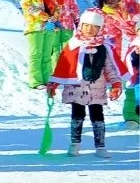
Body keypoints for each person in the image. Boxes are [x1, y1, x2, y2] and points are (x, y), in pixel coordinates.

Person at [47, 10, 122, 158]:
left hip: (97, 88)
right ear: (81, 25)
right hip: (76, 87)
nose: (89, 29)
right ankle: (75, 143)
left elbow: (109, 68)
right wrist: (54, 83)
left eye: (94, 26)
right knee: (77, 115)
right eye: (86, 25)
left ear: (100, 28)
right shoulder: (74, 44)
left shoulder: (103, 47)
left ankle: (100, 146)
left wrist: (116, 83)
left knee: (97, 116)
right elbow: (63, 65)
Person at [92, 0, 140, 129]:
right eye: (108, 0)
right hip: (135, 45)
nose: (113, 1)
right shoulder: (108, 14)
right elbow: (112, 37)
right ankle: (132, 116)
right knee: (132, 77)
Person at [18, 0, 56, 88]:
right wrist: (46, 17)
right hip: (34, 28)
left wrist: (55, 16)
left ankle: (47, 79)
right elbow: (29, 8)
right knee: (36, 55)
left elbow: (56, 6)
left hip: (49, 28)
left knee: (46, 54)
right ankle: (36, 81)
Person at [45, 0, 80, 64]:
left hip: (67, 23)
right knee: (54, 48)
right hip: (53, 24)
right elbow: (43, 7)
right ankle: (55, 71)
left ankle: (65, 71)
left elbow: (73, 6)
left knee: (67, 48)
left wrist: (76, 20)